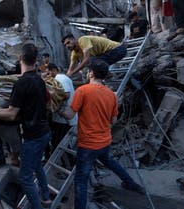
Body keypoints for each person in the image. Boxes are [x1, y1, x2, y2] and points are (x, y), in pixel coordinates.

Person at [62, 58, 144, 209]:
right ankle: (131, 184)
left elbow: (69, 115)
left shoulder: (83, 90)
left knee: (81, 180)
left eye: (88, 71)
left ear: (91, 73)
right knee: (110, 162)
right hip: (104, 141)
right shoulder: (111, 95)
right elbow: (113, 121)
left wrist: (57, 107)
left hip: (87, 145)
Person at [0, 43, 52, 209]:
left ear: (20, 58)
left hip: (33, 136)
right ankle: (46, 198)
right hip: (44, 131)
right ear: (36, 60)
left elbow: (11, 113)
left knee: (26, 178)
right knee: (37, 166)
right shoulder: (39, 81)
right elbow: (46, 105)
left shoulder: (21, 84)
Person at [62, 33, 127, 77]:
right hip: (108, 54)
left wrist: (72, 73)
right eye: (65, 45)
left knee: (90, 61)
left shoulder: (83, 40)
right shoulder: (74, 53)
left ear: (74, 39)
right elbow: (70, 69)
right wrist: (66, 77)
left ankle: (106, 73)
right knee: (91, 65)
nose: (67, 46)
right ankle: (107, 74)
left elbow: (86, 60)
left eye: (68, 42)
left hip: (118, 49)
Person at [46, 64, 77, 151]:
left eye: (48, 73)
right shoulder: (60, 79)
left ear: (53, 70)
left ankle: (67, 163)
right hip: (61, 117)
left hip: (63, 118)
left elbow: (66, 94)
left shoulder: (60, 78)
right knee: (59, 142)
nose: (48, 76)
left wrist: (52, 100)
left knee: (60, 143)